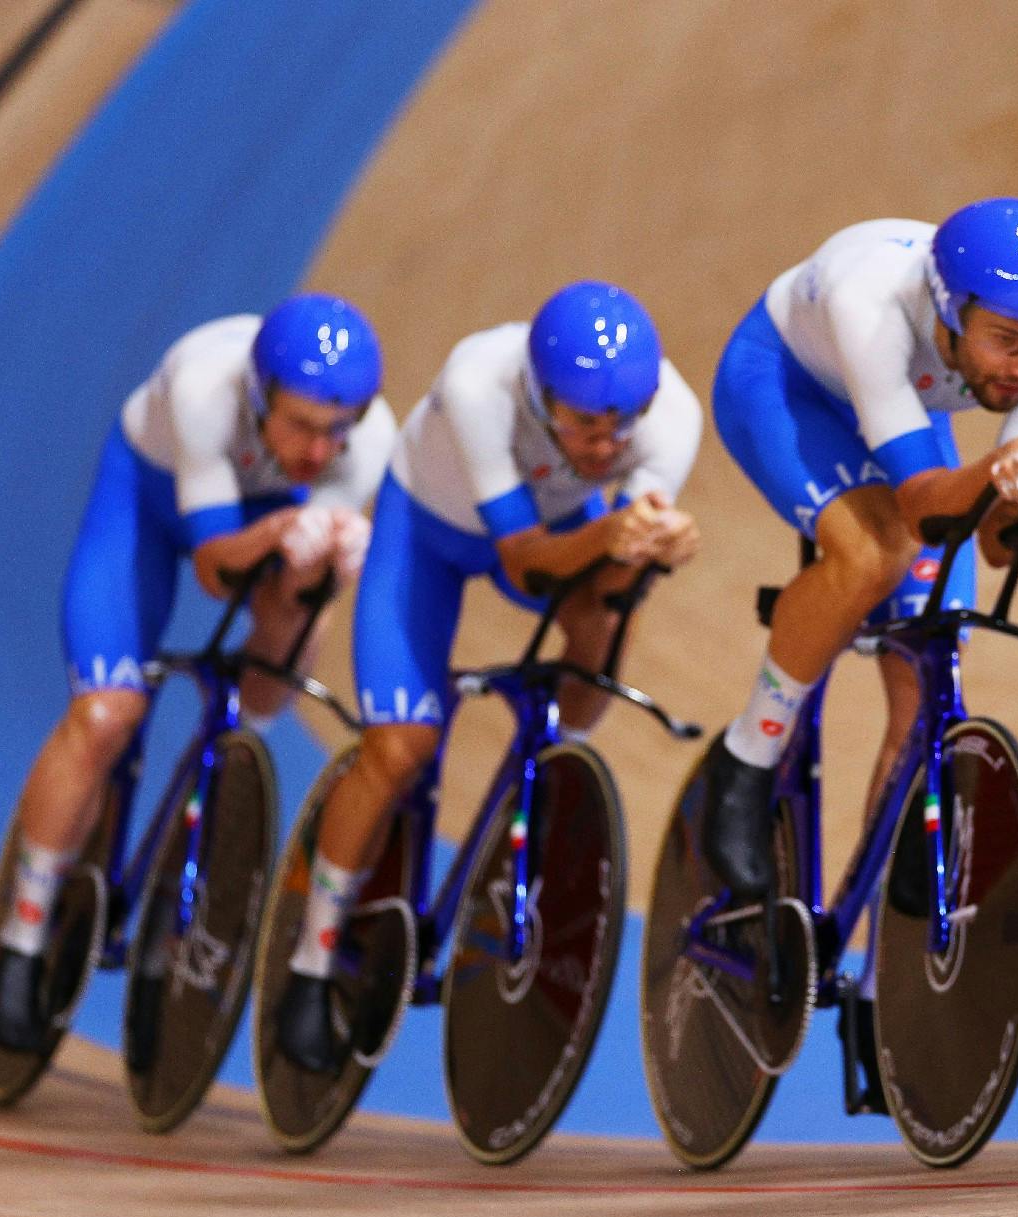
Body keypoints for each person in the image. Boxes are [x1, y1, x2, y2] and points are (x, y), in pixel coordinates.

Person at [702, 199, 1018, 1107]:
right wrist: (1005, 469)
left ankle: (873, 964)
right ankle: (749, 753)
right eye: (1007, 339)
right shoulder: (868, 301)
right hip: (789, 390)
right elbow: (926, 506)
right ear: (946, 310)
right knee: (873, 550)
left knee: (928, 672)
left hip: (912, 424)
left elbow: (993, 542)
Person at [274, 281, 702, 1072]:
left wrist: (651, 547)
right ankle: (312, 956)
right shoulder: (479, 383)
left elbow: (606, 565)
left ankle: (550, 757)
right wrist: (614, 530)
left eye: (620, 429)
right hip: (429, 532)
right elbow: (527, 561)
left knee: (608, 614)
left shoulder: (671, 416)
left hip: (554, 531)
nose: (604, 448)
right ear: (539, 397)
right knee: (400, 747)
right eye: (582, 425)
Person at [0, 294, 394, 1051]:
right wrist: (274, 530)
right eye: (300, 424)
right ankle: (22, 936)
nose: (316, 448)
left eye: (335, 429)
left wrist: (325, 564)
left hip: (261, 514)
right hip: (146, 504)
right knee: (107, 714)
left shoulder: (365, 446)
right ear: (260, 394)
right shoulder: (206, 385)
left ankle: (237, 749)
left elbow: (296, 584)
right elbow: (213, 568)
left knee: (304, 606)